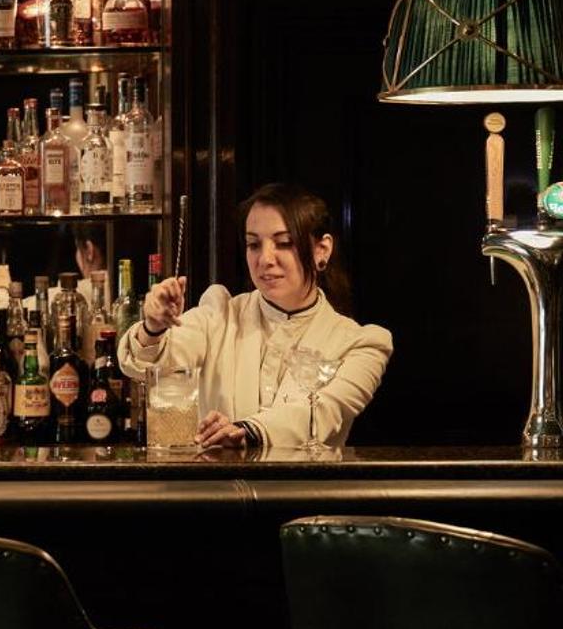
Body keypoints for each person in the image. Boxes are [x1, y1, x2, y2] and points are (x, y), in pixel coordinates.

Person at [119, 182, 392, 450]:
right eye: (254, 245)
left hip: (307, 481)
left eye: (284, 243)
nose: (265, 259)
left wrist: (247, 430)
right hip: (217, 479)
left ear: (322, 250)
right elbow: (149, 365)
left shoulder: (362, 343)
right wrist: (154, 327)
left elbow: (324, 412)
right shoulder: (220, 314)